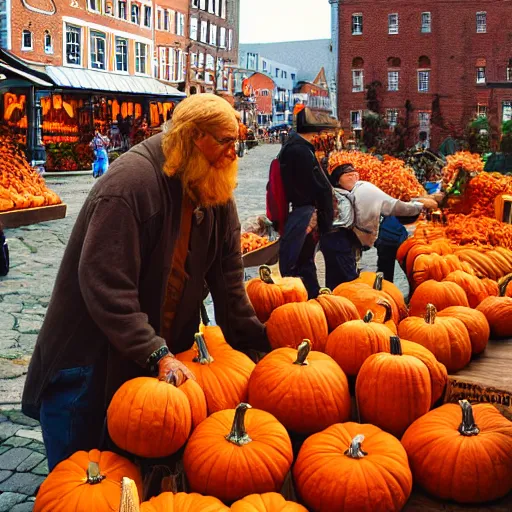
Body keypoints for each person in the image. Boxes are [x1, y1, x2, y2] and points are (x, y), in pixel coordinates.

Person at [22, 94, 271, 471]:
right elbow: (105, 283)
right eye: (224, 141)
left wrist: (263, 344)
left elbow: (229, 282)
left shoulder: (212, 187)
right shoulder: (131, 184)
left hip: (145, 359)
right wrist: (156, 351)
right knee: (80, 476)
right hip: (88, 359)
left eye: (236, 141)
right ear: (191, 137)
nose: (233, 153)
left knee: (126, 469)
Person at [321, 161, 438, 289]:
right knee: (347, 280)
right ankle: (342, 302)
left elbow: (393, 205)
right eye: (347, 174)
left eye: (354, 173)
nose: (352, 176)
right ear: (338, 181)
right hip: (338, 239)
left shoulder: (362, 189)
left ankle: (342, 299)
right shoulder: (341, 193)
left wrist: (418, 204)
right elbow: (393, 206)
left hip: (346, 239)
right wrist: (419, 205)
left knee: (341, 278)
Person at [278, 108, 335, 298]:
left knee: (304, 260)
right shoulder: (300, 150)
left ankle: (309, 298)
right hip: (306, 211)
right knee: (303, 261)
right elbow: (315, 184)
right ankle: (311, 300)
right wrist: (326, 218)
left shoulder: (295, 147)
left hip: (303, 209)